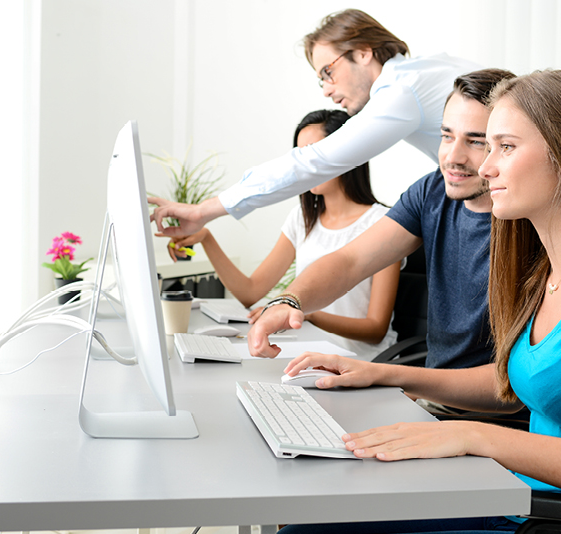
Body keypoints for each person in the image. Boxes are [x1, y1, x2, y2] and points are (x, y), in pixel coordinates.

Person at [272, 70, 561, 534]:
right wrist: (383, 373)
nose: (484, 167)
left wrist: (477, 436)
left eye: (504, 147)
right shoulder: (549, 270)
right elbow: (510, 383)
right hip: (522, 501)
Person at [247, 69, 513, 391]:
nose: (452, 157)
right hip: (433, 396)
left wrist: (387, 377)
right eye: (446, 136)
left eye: (475, 141)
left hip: (492, 412)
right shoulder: (431, 192)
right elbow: (350, 261)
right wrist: (290, 301)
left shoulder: (529, 219)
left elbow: (516, 385)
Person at [150, 9, 479, 237]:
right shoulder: (426, 71)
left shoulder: (403, 90)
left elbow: (316, 161)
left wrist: (205, 210)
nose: (326, 90)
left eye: (328, 72)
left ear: (363, 52)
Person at [168, 109, 401, 360]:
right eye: (300, 155)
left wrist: (303, 309)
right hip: (309, 351)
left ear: (345, 152)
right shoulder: (301, 220)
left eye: (314, 152)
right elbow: (250, 292)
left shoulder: (383, 223)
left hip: (359, 361)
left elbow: (376, 329)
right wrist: (206, 238)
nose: (305, 164)